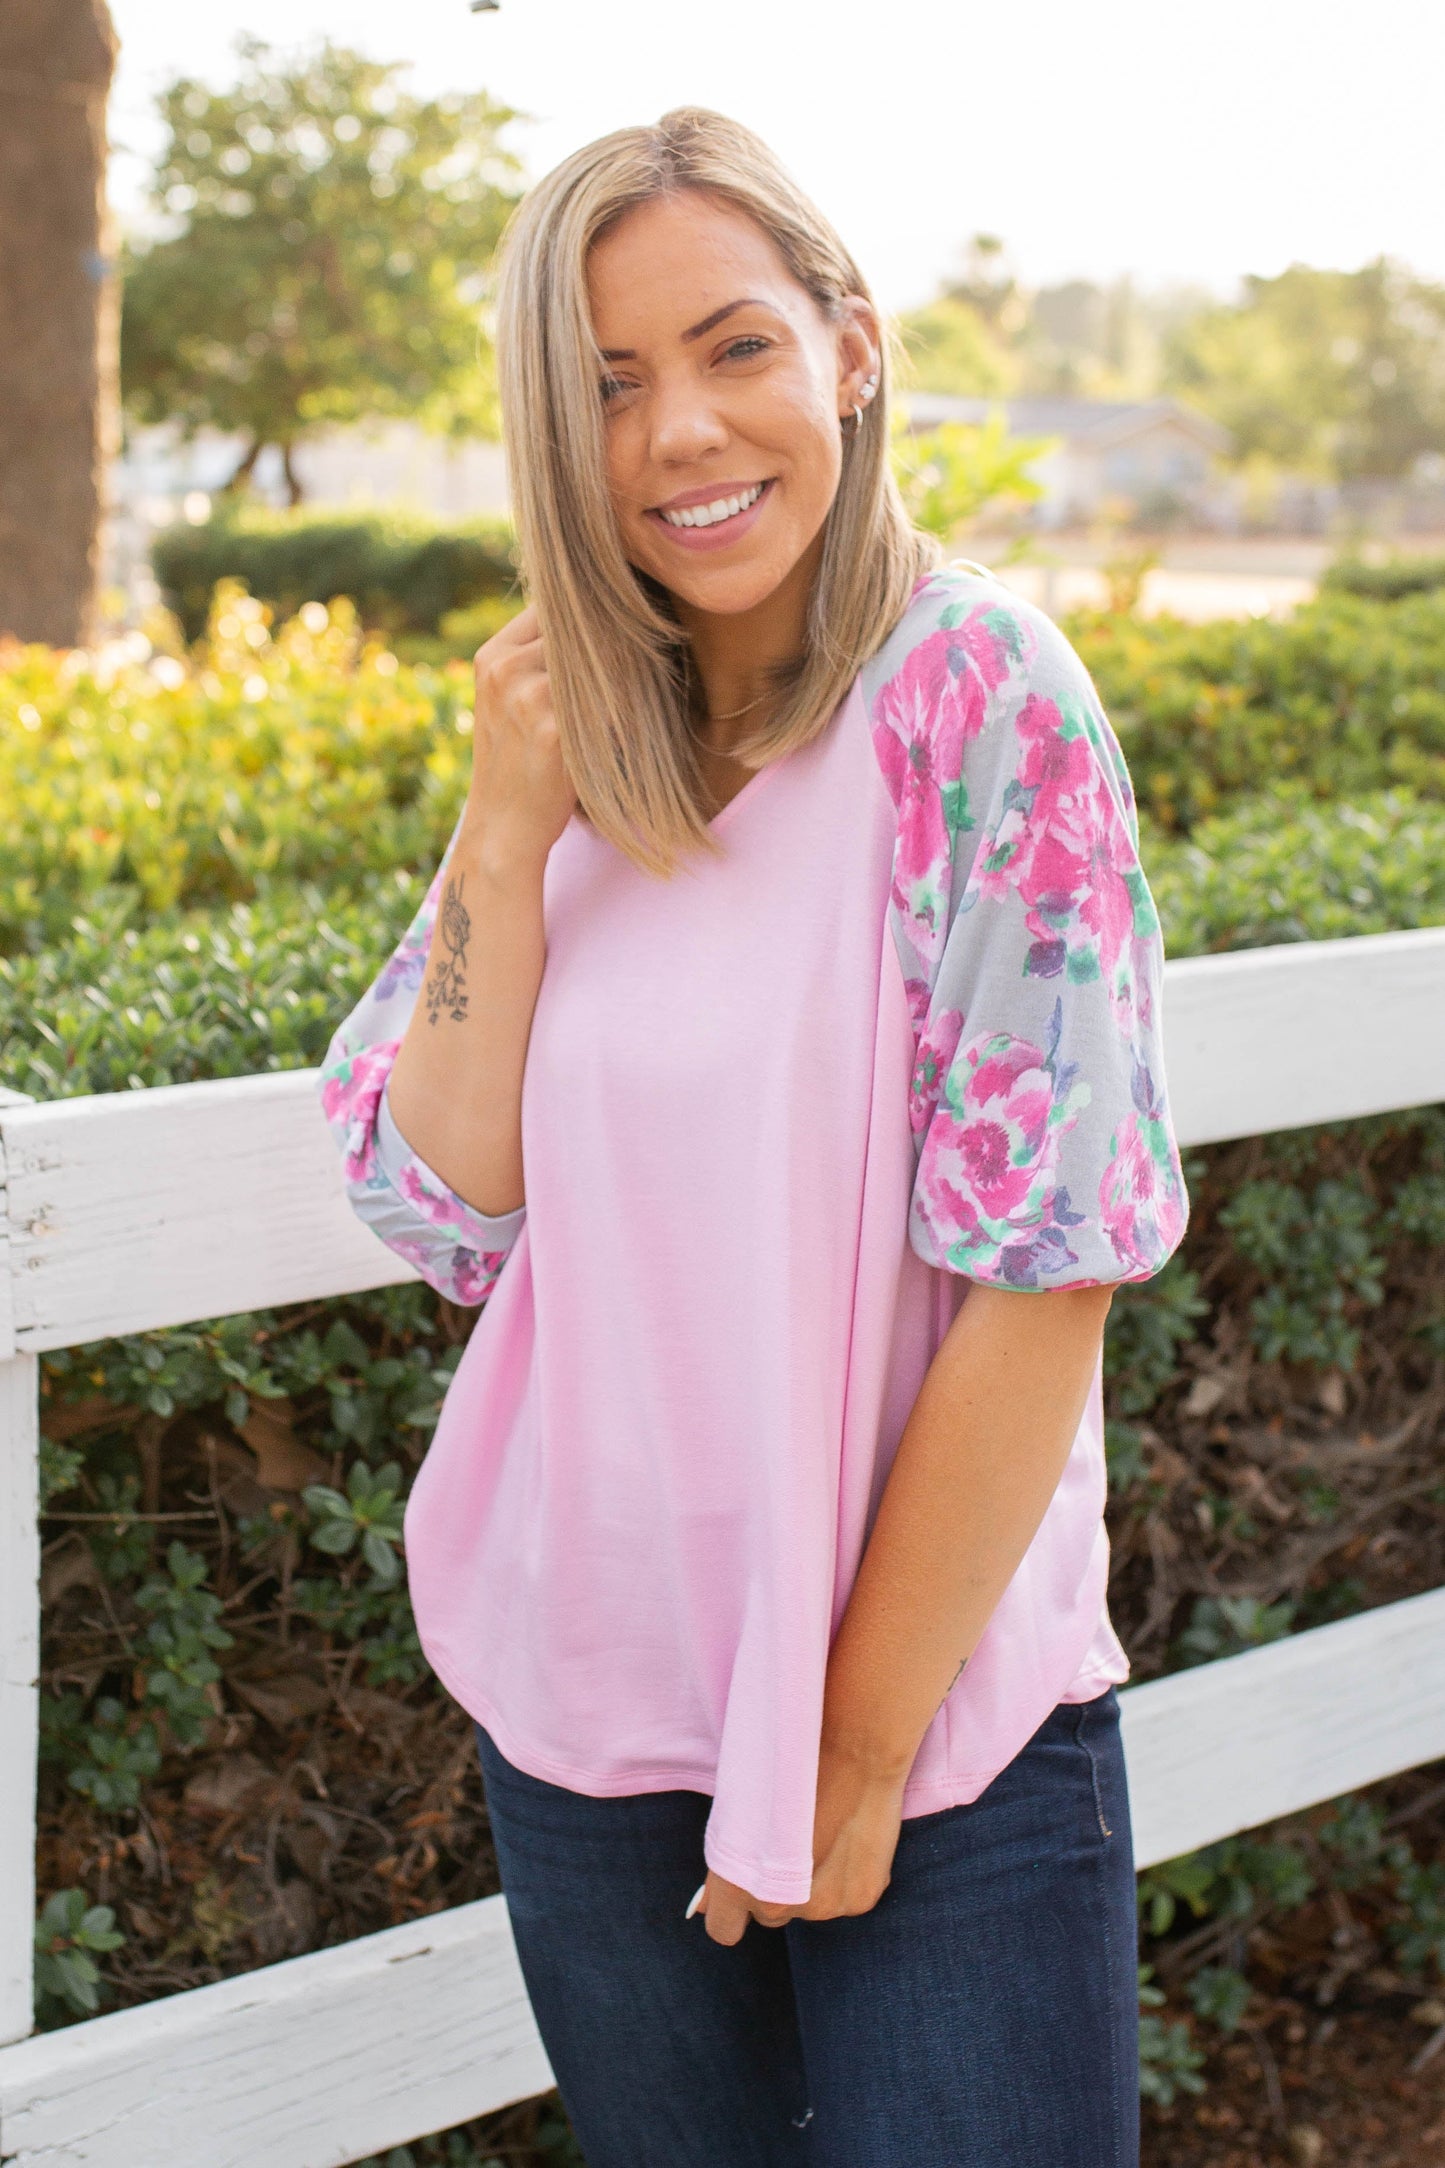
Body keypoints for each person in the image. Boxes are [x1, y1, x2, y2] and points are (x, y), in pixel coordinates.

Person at [320, 106, 1188, 2168]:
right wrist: (507, 829)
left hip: (931, 1747)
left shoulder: (976, 694)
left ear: (849, 352)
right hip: (593, 1713)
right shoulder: (573, 732)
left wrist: (849, 1756)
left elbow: (1047, 1269)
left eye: (730, 348)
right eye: (606, 385)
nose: (680, 435)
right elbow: (435, 1194)